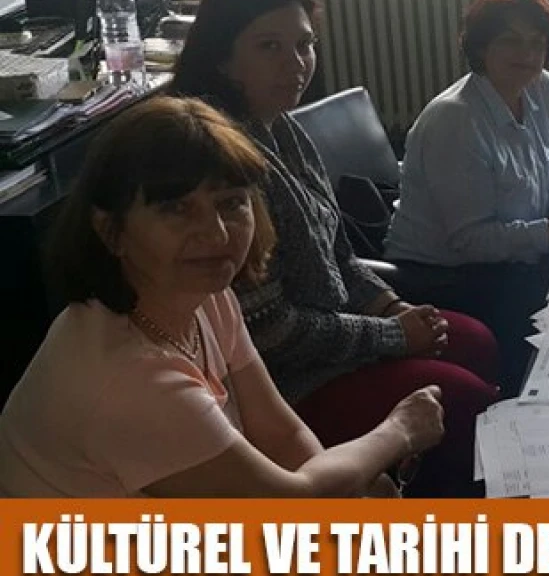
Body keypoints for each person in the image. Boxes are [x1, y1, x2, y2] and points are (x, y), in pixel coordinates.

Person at [0, 98, 442, 497]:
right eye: (176, 209)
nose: (216, 235)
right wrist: (398, 432)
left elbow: (282, 436)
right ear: (111, 230)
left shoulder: (204, 293)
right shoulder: (132, 382)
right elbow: (293, 503)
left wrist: (349, 495)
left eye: (231, 203)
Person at [170, 0, 497, 497]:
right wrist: (392, 336)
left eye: (304, 45)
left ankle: (417, 484)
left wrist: (392, 307)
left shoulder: (284, 128)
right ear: (224, 57)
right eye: (269, 47)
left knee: (474, 341)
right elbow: (270, 332)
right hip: (283, 382)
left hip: (336, 334)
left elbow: (339, 254)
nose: (296, 64)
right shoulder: (219, 159)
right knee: (465, 402)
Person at [383, 0, 549, 389]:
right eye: (511, 41)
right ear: (481, 46)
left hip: (517, 252)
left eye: (537, 43)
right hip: (447, 276)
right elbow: (471, 241)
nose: (527, 54)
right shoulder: (456, 120)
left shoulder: (542, 87)